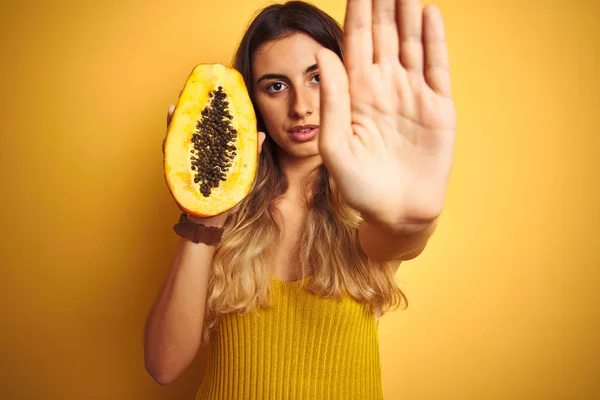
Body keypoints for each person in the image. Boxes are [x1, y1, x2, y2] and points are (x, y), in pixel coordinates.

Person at [145, 0, 456, 398]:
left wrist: (412, 221)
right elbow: (163, 365)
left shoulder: (370, 203)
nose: (301, 107)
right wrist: (203, 215)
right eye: (276, 86)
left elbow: (398, 235)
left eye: (316, 78)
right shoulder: (227, 213)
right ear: (252, 103)